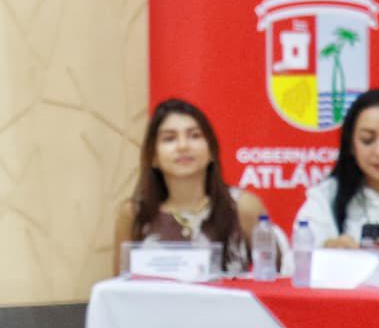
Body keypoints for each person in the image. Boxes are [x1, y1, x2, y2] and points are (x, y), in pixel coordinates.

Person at [114, 98, 281, 274]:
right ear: (153, 156)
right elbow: (118, 286)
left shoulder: (243, 207)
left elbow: (274, 278)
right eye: (169, 139)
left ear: (211, 151)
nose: (183, 146)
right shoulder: (134, 213)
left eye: (194, 135)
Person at [295, 88, 379, 250]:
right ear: (350, 144)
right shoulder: (327, 196)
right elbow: (298, 255)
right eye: (367, 140)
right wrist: (329, 249)